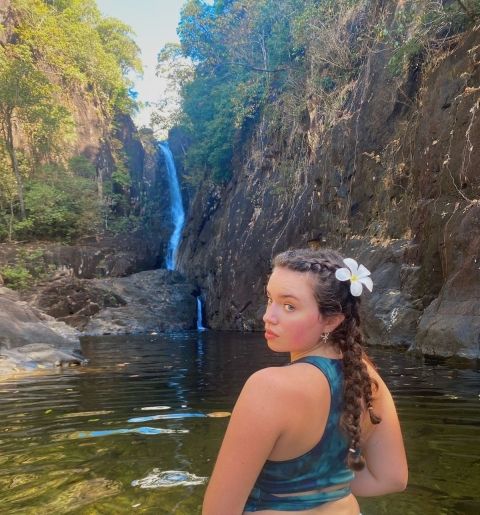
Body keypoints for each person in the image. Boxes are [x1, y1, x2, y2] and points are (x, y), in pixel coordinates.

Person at [203, 248, 408, 515]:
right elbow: (393, 478)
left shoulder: (268, 388)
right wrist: (328, 485)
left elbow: (218, 511)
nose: (268, 316)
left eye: (289, 306)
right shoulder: (365, 376)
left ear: (331, 321)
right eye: (270, 299)